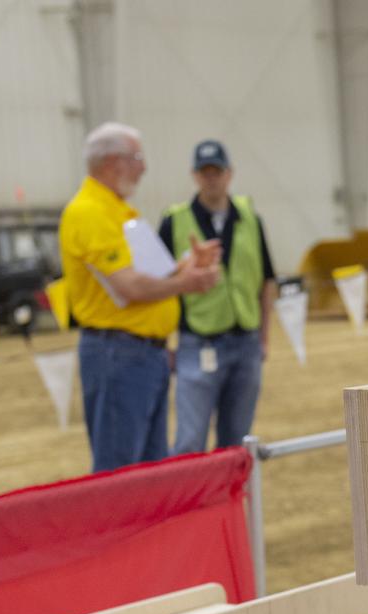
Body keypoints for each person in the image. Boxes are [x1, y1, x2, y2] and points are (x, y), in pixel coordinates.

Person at [59, 122, 220, 472]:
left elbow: (150, 276)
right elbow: (129, 286)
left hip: (140, 355)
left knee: (147, 471)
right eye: (137, 158)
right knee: (121, 473)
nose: (143, 167)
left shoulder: (118, 212)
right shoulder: (91, 213)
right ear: (113, 162)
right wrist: (186, 282)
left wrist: (187, 267)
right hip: (120, 354)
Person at [158, 140, 278, 453]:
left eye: (217, 171)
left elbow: (266, 281)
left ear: (230, 174)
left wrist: (263, 337)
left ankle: (228, 503)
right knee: (189, 441)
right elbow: (159, 284)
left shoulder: (250, 218)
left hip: (246, 343)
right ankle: (189, 503)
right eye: (204, 171)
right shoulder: (174, 221)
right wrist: (168, 340)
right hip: (197, 343)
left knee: (236, 442)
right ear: (194, 176)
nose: (211, 177)